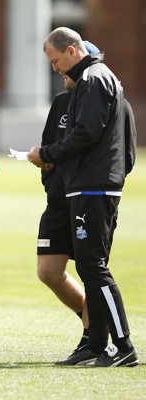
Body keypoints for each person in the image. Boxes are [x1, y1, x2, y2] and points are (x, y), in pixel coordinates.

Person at [28, 27, 139, 367]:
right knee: (90, 269)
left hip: (94, 187)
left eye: (56, 60)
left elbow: (87, 133)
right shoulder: (95, 79)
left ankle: (124, 348)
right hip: (86, 186)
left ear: (73, 51)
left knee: (93, 267)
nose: (55, 68)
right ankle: (94, 344)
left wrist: (49, 152)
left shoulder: (93, 78)